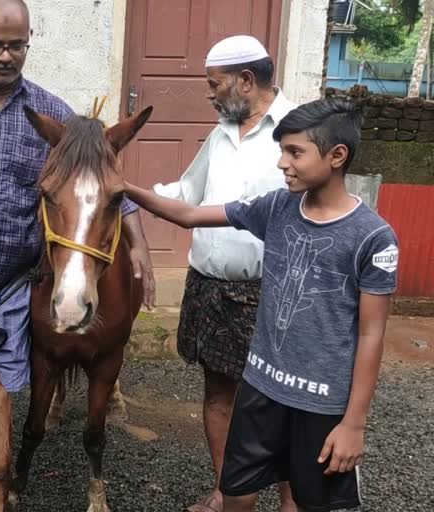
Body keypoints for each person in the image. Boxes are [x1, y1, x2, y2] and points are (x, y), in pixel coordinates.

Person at [124, 98, 398, 512]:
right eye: (281, 151)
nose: (282, 163)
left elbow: (371, 333)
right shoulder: (276, 207)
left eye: (295, 152)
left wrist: (354, 423)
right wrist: (124, 189)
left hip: (321, 403)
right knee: (237, 491)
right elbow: (189, 215)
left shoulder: (373, 238)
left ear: (337, 156)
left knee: (304, 500)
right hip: (260, 387)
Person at [0, 0, 156, 394]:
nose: (6, 56)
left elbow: (98, 182)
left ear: (29, 42)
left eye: (16, 46)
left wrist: (138, 243)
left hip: (10, 294)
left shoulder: (52, 113)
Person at [151, 35, 298, 512]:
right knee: (218, 393)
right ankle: (228, 491)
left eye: (214, 85)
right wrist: (125, 195)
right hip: (210, 289)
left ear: (246, 80)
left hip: (269, 293)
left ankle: (289, 501)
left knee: (277, 404)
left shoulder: (297, 131)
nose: (209, 94)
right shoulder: (220, 134)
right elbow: (187, 192)